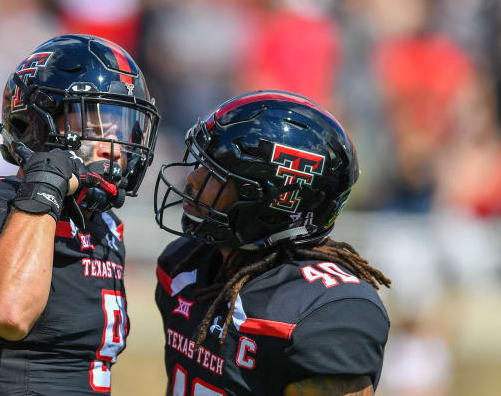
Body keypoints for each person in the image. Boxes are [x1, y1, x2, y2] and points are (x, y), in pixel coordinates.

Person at [0, 34, 160, 396]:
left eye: (122, 127)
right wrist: (46, 186)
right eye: (95, 125)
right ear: (37, 124)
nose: (116, 148)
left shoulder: (104, 226)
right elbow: (7, 314)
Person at [153, 90, 391, 395]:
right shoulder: (187, 264)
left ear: (273, 207)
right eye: (201, 163)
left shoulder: (324, 312)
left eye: (215, 175)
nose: (193, 180)